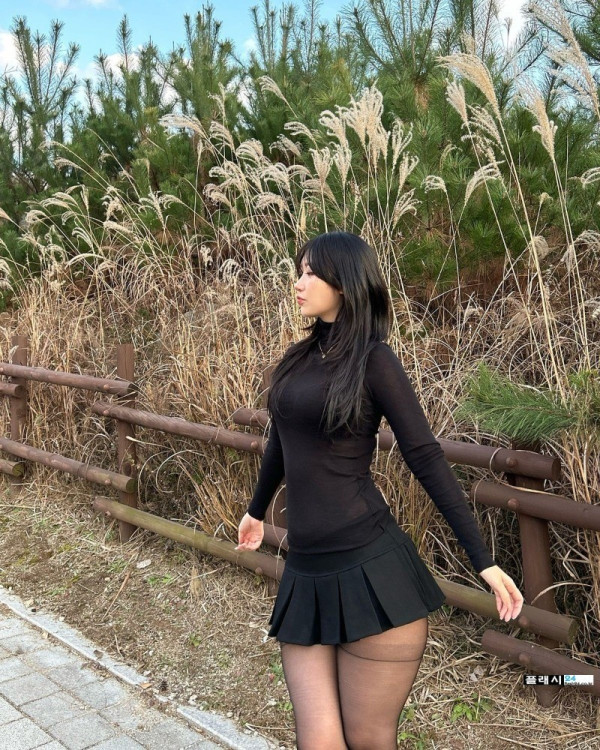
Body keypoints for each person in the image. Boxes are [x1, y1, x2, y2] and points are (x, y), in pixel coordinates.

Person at [236, 231, 523, 750]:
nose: (299, 282)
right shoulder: (298, 358)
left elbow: (424, 456)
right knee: (318, 743)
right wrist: (256, 510)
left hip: (371, 570)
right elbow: (281, 438)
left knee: (369, 738)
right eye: (299, 271)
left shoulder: (374, 360)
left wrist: (483, 560)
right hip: (306, 571)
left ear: (345, 283)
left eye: (311, 273)